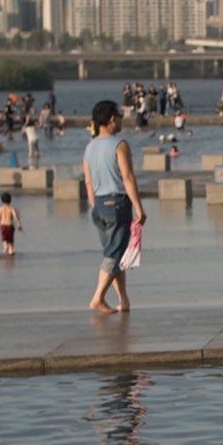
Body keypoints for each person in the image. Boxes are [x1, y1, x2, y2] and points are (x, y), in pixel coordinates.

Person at [82, 100, 141, 314]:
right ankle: (98, 298)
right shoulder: (119, 144)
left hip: (98, 204)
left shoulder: (89, 147)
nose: (121, 120)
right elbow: (127, 176)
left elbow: (88, 182)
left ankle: (123, 300)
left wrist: (95, 204)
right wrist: (139, 208)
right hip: (117, 203)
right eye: (119, 116)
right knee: (114, 255)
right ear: (111, 119)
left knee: (115, 253)